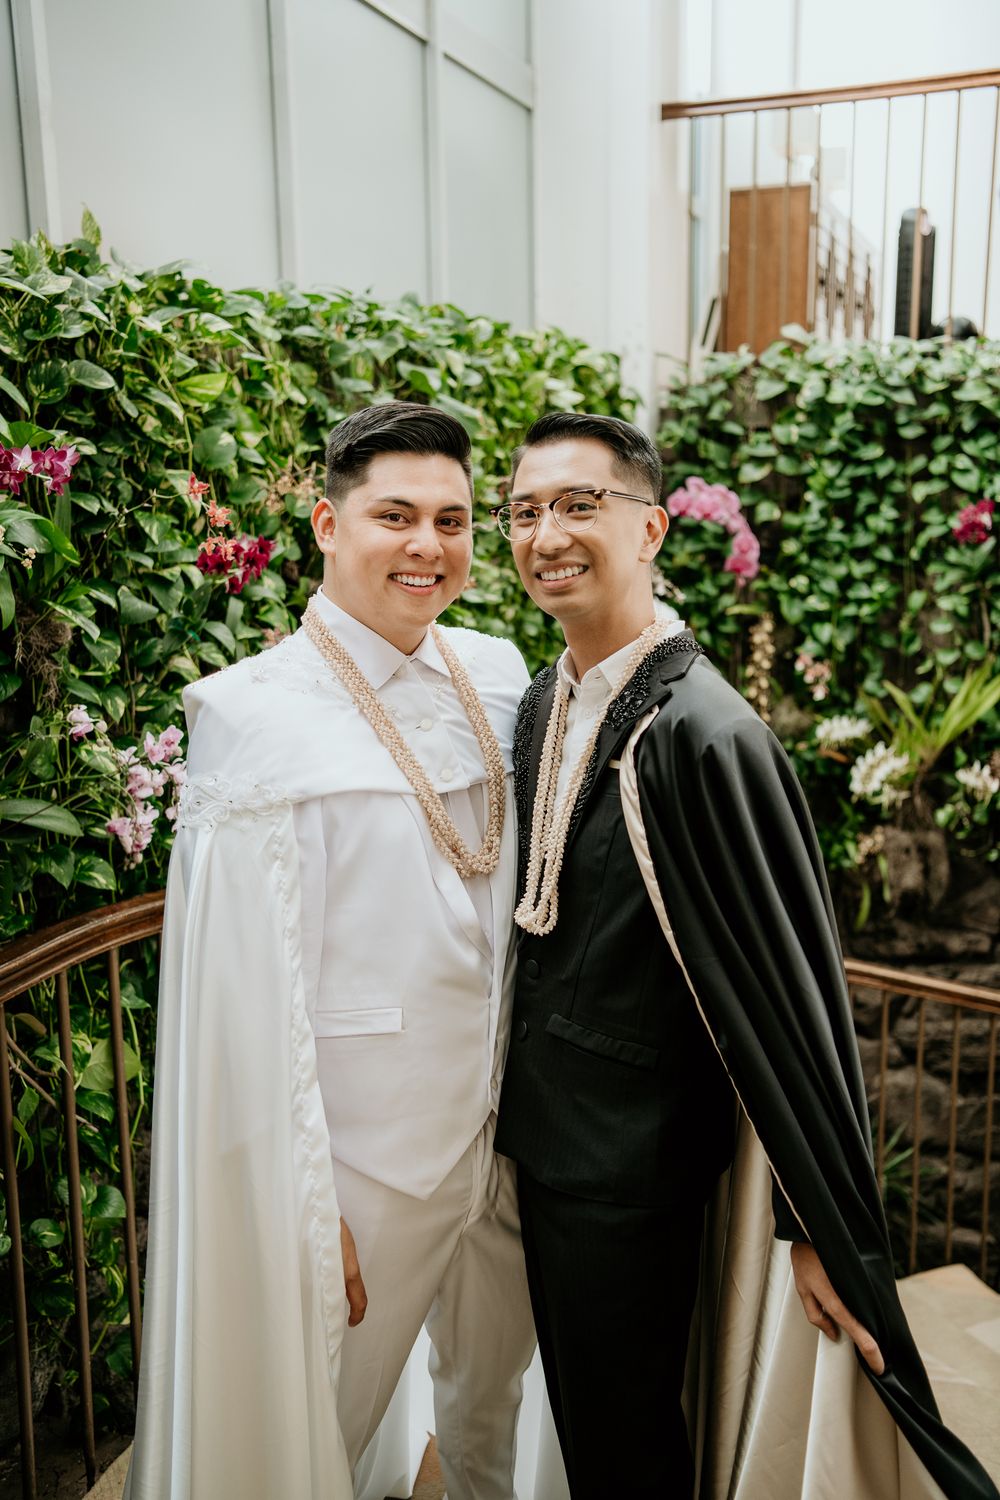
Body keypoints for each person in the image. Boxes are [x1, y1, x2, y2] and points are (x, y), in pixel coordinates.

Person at [493, 411, 998, 1500]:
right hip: (539, 1144)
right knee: (588, 1427)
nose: (547, 534)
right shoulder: (551, 695)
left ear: (651, 530)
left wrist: (818, 1220)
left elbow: (783, 985)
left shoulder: (702, 733)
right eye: (525, 511)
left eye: (580, 505)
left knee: (629, 1446)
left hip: (623, 1168)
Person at [125, 402, 537, 1500]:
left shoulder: (498, 673)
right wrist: (307, 1211)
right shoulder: (251, 714)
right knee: (324, 1431)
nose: (427, 547)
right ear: (324, 522)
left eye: (451, 520)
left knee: (493, 1409)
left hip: (511, 1140)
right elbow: (244, 1004)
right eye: (394, 515)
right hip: (363, 1162)